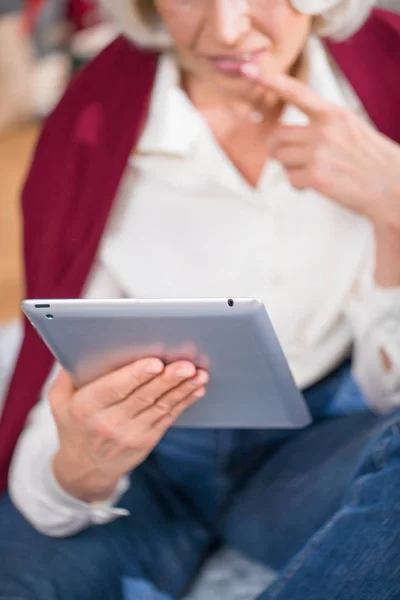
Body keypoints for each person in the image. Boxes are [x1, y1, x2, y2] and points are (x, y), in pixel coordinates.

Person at [1, 0, 400, 598]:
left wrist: (393, 205)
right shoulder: (95, 121)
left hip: (309, 452)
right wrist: (78, 471)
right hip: (148, 466)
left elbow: (384, 389)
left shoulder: (384, 84)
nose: (228, 30)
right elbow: (51, 392)